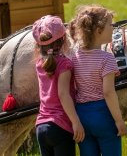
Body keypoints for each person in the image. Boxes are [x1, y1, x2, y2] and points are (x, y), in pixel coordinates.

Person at [68, 5, 127, 156]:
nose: (113, 28)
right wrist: (119, 120)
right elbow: (108, 92)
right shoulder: (106, 58)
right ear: (98, 30)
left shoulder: (75, 57)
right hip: (103, 114)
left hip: (82, 115)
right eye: (110, 24)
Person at [32, 15, 85, 156]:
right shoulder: (64, 64)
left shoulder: (39, 63)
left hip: (41, 126)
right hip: (60, 127)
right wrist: (76, 122)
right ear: (63, 40)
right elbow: (63, 95)